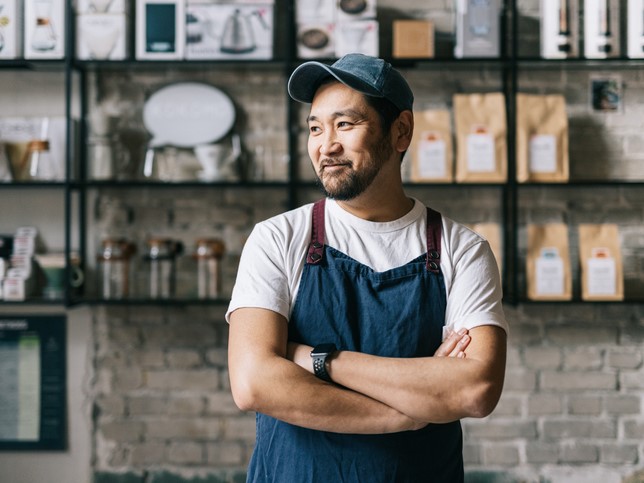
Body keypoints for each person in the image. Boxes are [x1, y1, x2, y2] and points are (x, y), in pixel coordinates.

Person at [227, 53, 508, 482]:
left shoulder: (462, 250)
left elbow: (474, 390)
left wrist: (318, 360)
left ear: (400, 132)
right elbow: (253, 383)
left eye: (345, 124)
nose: (326, 145)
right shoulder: (277, 239)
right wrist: (406, 414)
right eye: (316, 128)